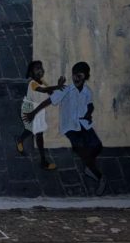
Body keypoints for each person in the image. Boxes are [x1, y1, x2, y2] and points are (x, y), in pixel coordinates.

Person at [26, 60, 105, 194]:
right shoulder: (66, 90)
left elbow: (90, 105)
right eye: (74, 75)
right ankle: (100, 177)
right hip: (70, 127)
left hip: (84, 124)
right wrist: (33, 113)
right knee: (81, 150)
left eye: (79, 76)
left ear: (85, 76)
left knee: (97, 146)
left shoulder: (87, 91)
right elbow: (48, 101)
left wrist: (88, 114)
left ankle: (88, 166)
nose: (76, 78)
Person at [16, 60, 63, 170]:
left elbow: (50, 92)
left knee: (33, 131)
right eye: (37, 69)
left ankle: (20, 140)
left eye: (41, 68)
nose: (40, 70)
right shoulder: (32, 84)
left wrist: (57, 90)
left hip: (38, 110)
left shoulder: (43, 81)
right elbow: (43, 90)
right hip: (30, 110)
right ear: (31, 73)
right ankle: (43, 161)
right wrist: (57, 86)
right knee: (35, 132)